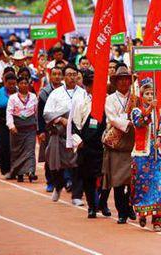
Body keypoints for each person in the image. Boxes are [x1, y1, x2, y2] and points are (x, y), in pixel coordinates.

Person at [130, 78, 161, 232]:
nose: (150, 96)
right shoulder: (136, 111)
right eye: (147, 93)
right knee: (143, 184)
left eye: (152, 93)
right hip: (142, 154)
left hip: (159, 153)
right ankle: (143, 212)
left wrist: (160, 139)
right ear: (142, 96)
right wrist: (149, 110)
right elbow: (139, 123)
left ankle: (158, 219)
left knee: (159, 184)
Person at [43, 64, 85, 205]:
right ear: (63, 77)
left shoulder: (83, 93)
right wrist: (61, 119)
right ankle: (58, 185)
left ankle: (76, 195)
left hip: (76, 134)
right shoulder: (56, 93)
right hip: (59, 133)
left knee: (77, 165)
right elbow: (47, 113)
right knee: (55, 164)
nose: (72, 77)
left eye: (74, 74)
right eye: (69, 74)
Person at [71, 70, 108, 219]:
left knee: (106, 177)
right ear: (86, 87)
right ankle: (92, 207)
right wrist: (78, 141)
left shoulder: (106, 100)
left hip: (104, 144)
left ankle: (103, 203)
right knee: (88, 177)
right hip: (86, 145)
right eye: (92, 85)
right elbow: (74, 124)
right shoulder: (79, 101)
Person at [103, 64, 136, 224]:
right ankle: (121, 211)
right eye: (120, 80)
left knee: (132, 181)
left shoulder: (136, 98)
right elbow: (112, 118)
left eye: (126, 79)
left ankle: (130, 206)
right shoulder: (109, 99)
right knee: (117, 181)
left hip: (133, 144)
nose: (124, 82)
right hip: (117, 144)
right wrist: (128, 122)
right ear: (115, 82)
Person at [6, 76, 38, 182]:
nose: (24, 85)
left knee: (30, 150)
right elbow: (9, 112)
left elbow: (36, 112)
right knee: (17, 151)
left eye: (26, 83)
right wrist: (11, 126)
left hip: (30, 127)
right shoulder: (13, 98)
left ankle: (31, 171)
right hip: (17, 128)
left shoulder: (33, 97)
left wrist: (38, 126)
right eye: (22, 83)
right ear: (18, 85)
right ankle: (18, 172)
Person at [38, 66, 63, 192]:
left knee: (65, 156)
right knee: (49, 156)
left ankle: (65, 181)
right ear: (50, 76)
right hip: (49, 129)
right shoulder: (44, 93)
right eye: (54, 74)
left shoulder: (67, 91)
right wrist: (41, 131)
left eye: (59, 74)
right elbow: (40, 114)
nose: (57, 76)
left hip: (64, 129)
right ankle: (50, 181)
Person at [0, 72, 18, 176]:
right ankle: (6, 169)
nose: (11, 86)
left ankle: (16, 168)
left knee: (15, 146)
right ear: (4, 82)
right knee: (4, 145)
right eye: (9, 84)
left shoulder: (19, 92)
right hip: (1, 123)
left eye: (14, 84)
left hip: (16, 123)